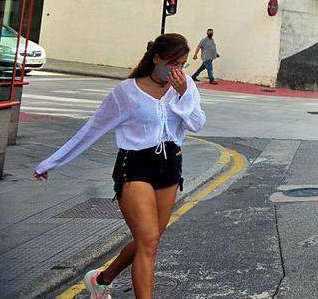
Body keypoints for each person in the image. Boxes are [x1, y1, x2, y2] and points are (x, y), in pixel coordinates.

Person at [34, 33, 204, 299]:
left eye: (182, 64)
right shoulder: (126, 92)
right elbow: (91, 130)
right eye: (173, 63)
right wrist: (52, 162)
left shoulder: (185, 86)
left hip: (170, 166)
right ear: (157, 58)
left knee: (149, 242)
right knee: (148, 243)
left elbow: (196, 123)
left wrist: (183, 95)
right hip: (135, 166)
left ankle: (102, 280)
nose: (178, 70)